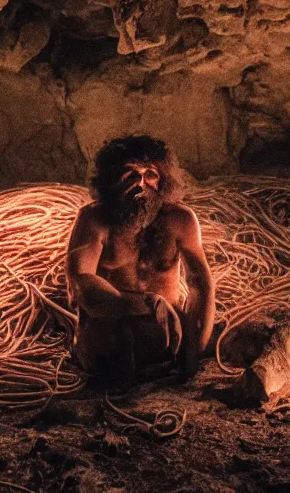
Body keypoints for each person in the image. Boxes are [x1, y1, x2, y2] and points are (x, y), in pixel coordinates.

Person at [64, 136, 215, 388]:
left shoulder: (181, 220)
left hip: (168, 336)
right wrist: (136, 308)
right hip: (111, 334)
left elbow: (201, 285)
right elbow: (79, 282)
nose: (140, 183)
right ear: (112, 180)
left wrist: (193, 351)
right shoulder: (94, 219)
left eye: (150, 175)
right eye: (129, 174)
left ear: (162, 181)